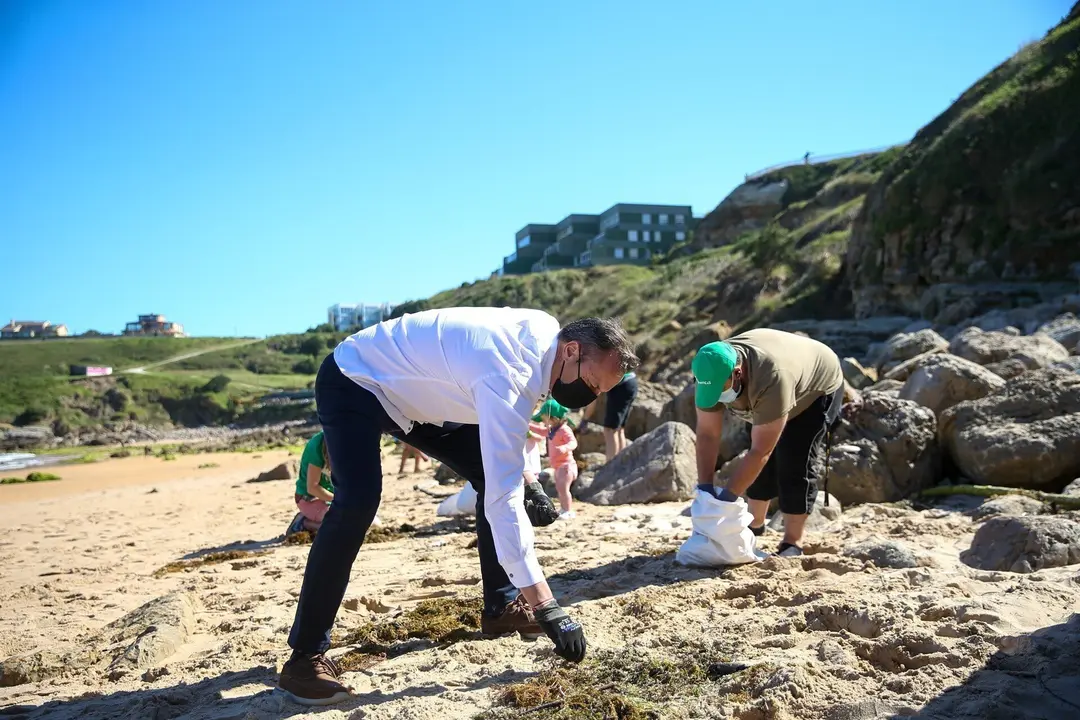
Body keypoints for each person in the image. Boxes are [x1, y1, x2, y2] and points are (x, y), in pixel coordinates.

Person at [278, 308, 638, 705]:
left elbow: (503, 439)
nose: (591, 397)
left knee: (488, 474)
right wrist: (547, 606)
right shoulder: (510, 373)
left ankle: (501, 606)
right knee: (358, 501)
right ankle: (303, 660)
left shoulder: (546, 337)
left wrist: (530, 481)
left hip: (420, 397)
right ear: (571, 350)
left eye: (600, 392)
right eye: (592, 384)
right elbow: (503, 495)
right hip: (356, 378)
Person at [691, 329, 856, 558]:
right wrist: (705, 488)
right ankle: (755, 524)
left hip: (816, 387)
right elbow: (707, 434)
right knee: (759, 464)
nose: (717, 396)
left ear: (738, 373)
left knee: (795, 458)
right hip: (771, 382)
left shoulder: (771, 377)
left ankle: (793, 542)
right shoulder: (710, 369)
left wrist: (727, 500)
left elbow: (761, 451)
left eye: (721, 390)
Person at [285, 431, 334, 535]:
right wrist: (339, 500)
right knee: (340, 525)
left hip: (332, 500)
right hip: (309, 499)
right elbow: (312, 488)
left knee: (367, 522)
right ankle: (303, 523)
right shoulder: (317, 445)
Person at [538, 399, 578, 520]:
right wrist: (527, 425)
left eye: (545, 419)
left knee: (564, 489)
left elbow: (573, 442)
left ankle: (568, 510)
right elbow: (541, 431)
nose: (543, 422)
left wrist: (565, 447)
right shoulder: (553, 430)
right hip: (558, 466)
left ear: (554, 418)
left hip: (566, 466)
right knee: (560, 489)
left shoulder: (564, 429)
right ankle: (564, 508)